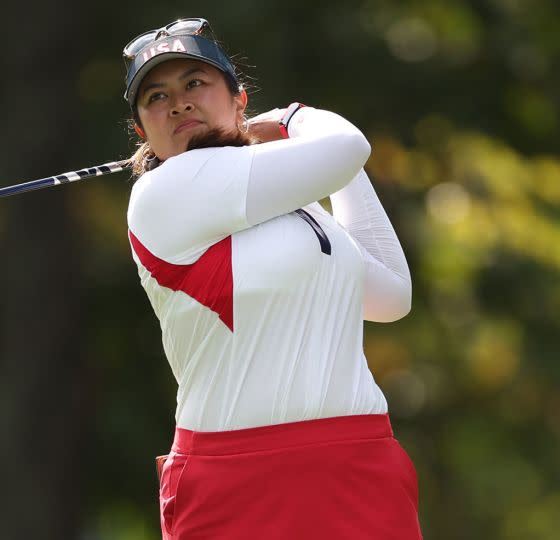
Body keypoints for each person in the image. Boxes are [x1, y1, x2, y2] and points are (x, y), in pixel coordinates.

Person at [122, 18, 421, 539]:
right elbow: (347, 146)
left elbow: (390, 295)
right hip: (239, 477)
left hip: (362, 461)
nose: (178, 102)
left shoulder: (295, 205)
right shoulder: (166, 191)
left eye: (195, 83)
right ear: (143, 132)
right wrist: (294, 118)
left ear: (239, 98)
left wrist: (335, 168)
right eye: (156, 96)